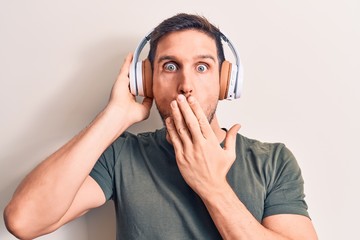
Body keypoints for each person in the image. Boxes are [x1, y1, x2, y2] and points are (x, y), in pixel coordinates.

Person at [4, 13, 318, 239]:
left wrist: (211, 186)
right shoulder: (123, 155)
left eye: (202, 67)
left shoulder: (273, 160)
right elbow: (24, 221)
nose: (186, 84)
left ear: (226, 82)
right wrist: (116, 115)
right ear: (147, 81)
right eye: (170, 66)